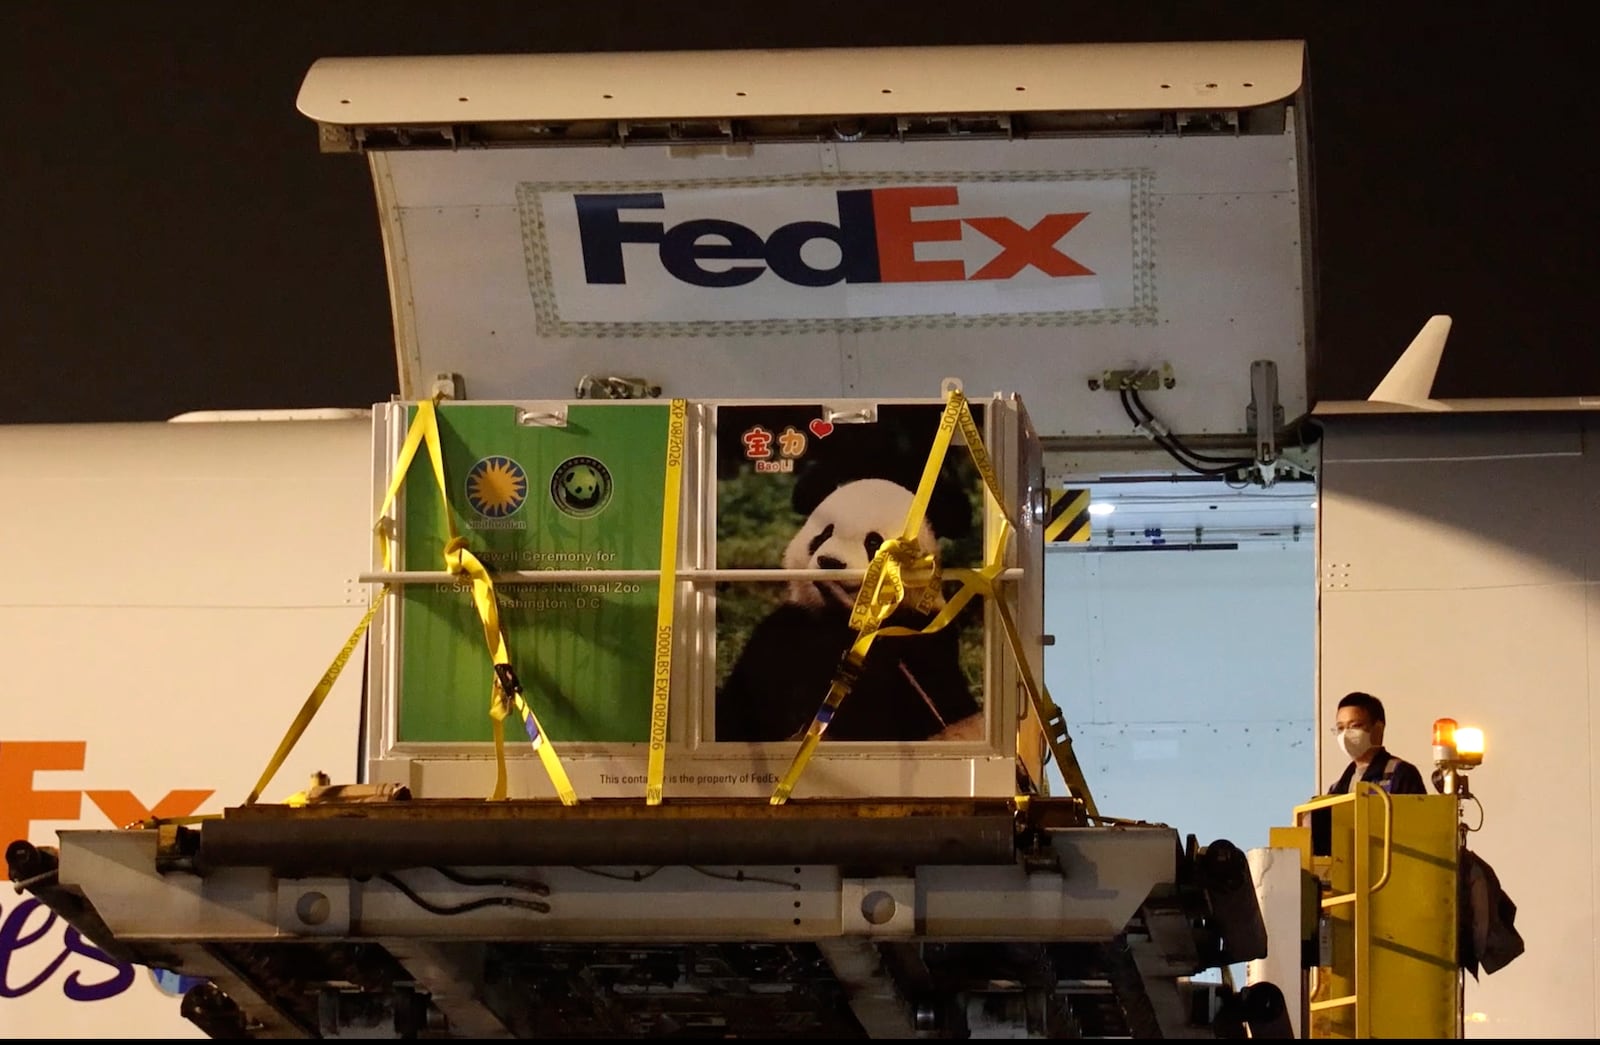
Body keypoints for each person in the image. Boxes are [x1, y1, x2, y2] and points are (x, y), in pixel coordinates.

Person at [1327, 691, 1428, 795]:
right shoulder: (1337, 788)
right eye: (1340, 728)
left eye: (1354, 726)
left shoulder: (1400, 774)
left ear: (1378, 729)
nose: (1345, 734)